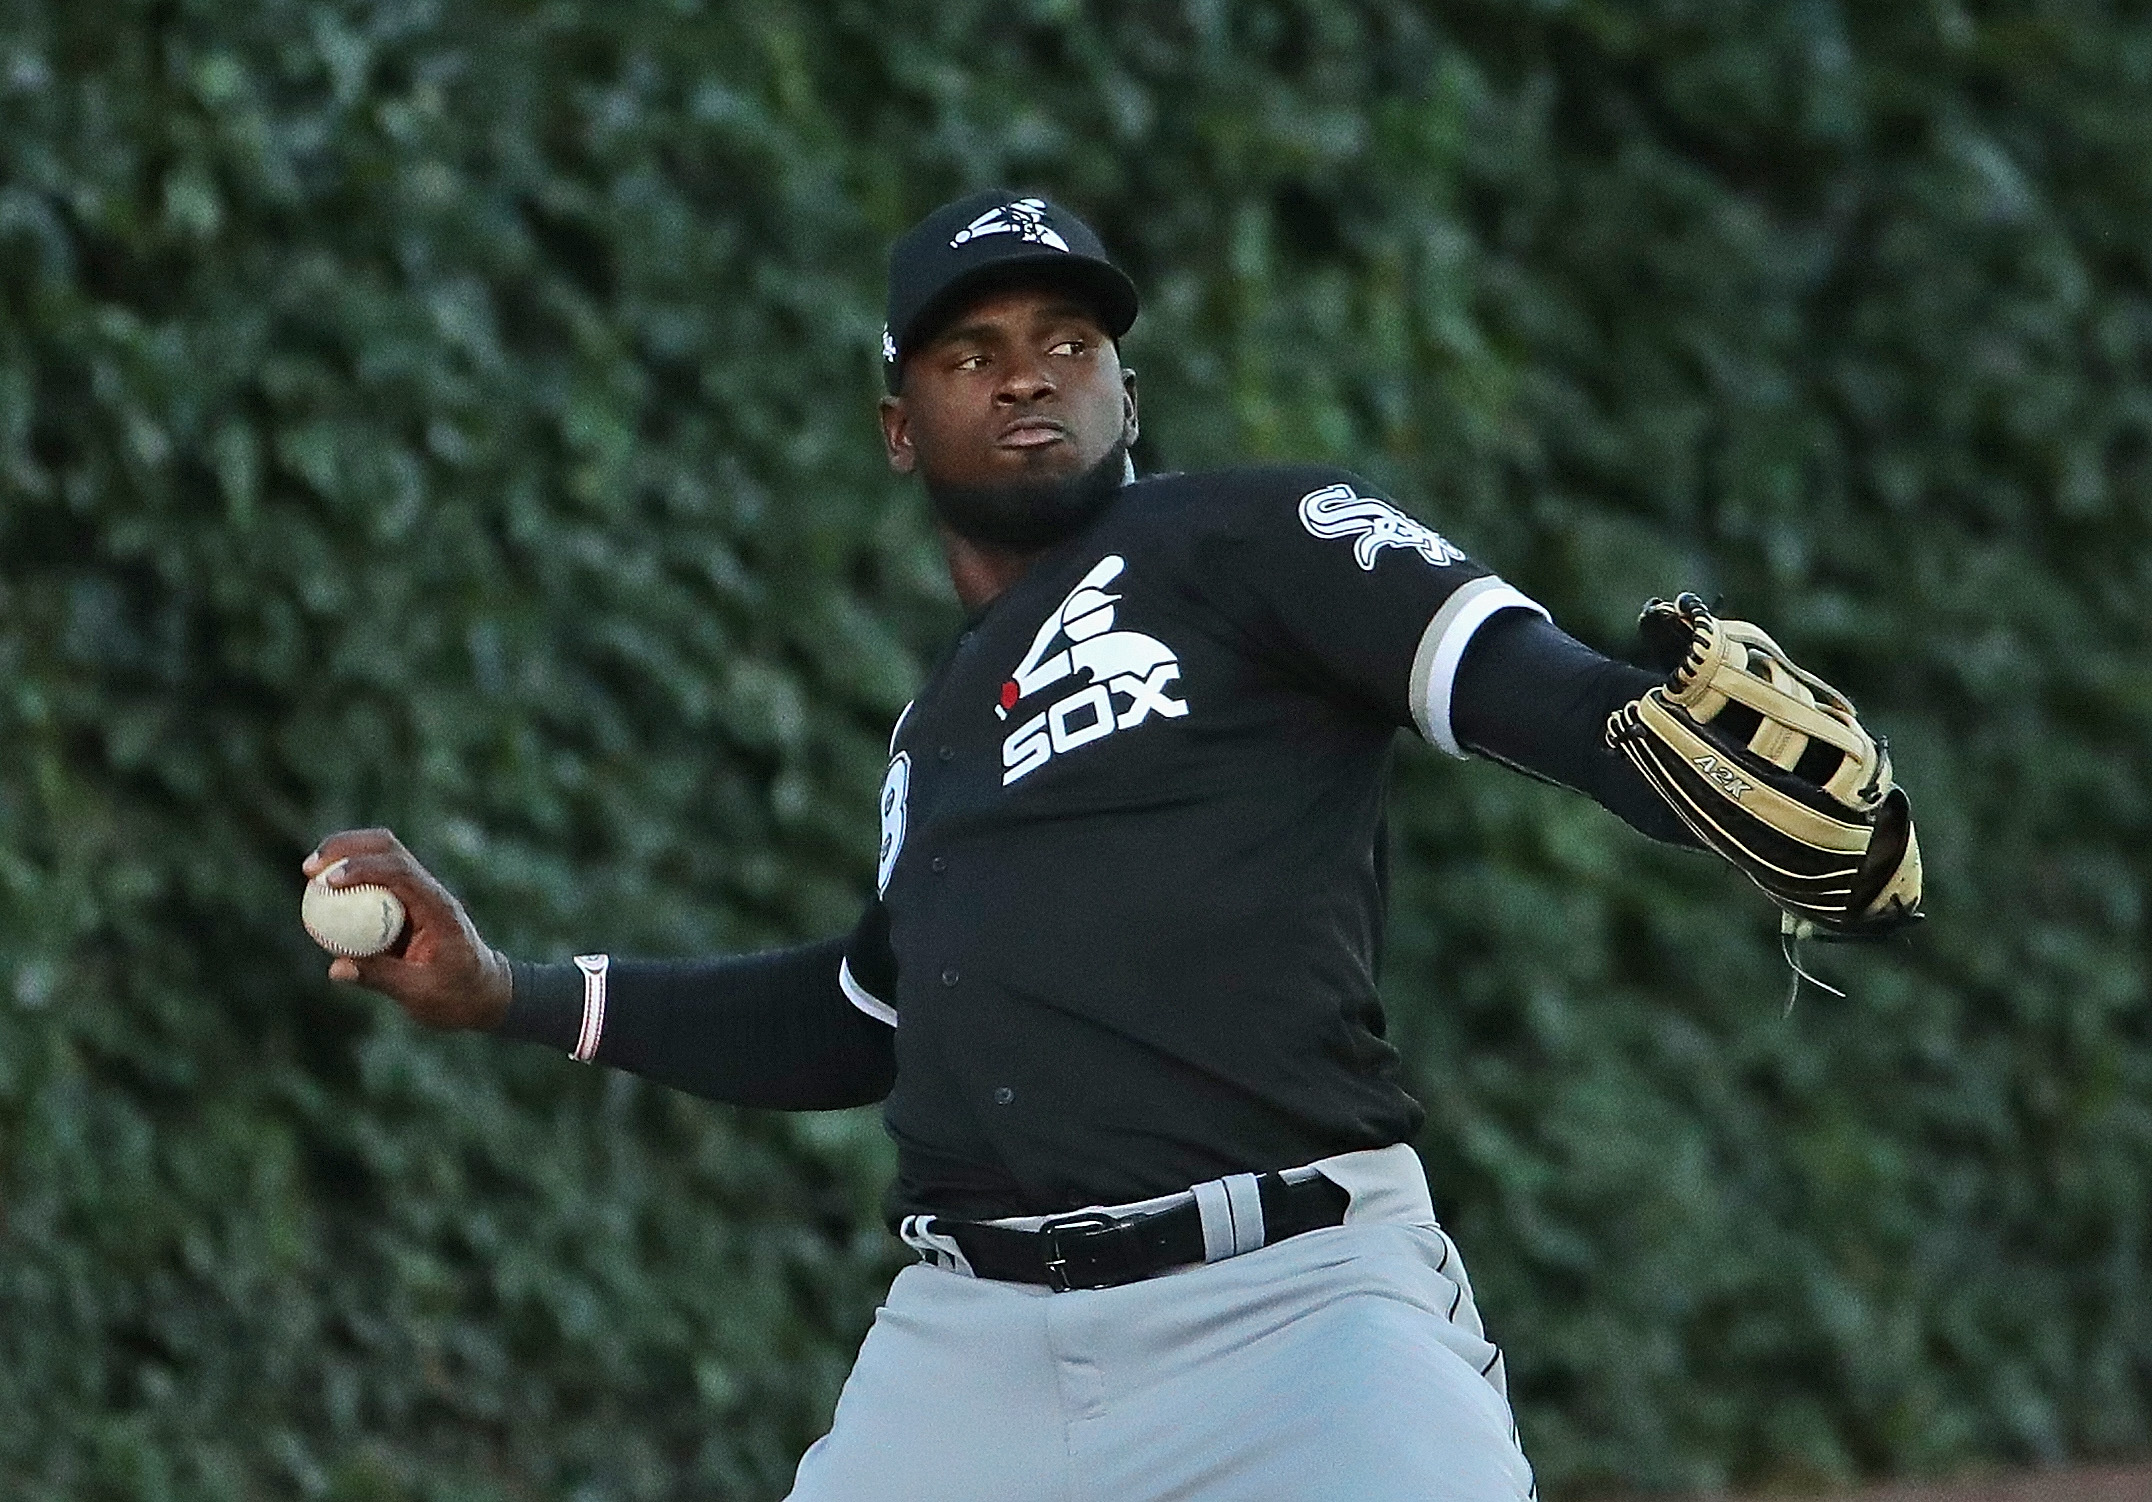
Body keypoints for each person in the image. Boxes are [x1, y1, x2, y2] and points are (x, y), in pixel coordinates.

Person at [306, 191, 1906, 1501]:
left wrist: (1642, 738)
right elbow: (858, 1021)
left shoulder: (1247, 542)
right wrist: (510, 987)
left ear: (1128, 395)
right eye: (971, 349)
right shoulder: (932, 740)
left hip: (1295, 1310)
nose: (1028, 374)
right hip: (974, 1343)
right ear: (896, 423)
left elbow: (1518, 682)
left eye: (1071, 342)